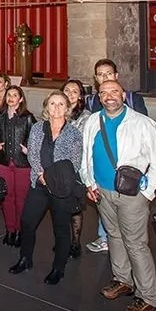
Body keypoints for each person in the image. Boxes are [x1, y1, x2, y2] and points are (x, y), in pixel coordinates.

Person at [79, 80, 156, 311]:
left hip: (132, 195)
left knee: (136, 244)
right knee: (114, 236)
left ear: (124, 95)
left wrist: (147, 193)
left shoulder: (142, 123)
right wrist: (89, 183)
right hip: (102, 191)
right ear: (99, 97)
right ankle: (122, 280)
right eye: (104, 93)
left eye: (114, 92)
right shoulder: (93, 121)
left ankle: (148, 298)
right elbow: (87, 155)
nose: (109, 97)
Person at [9, 91, 83, 285]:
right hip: (39, 184)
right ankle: (25, 258)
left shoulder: (74, 133)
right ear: (46, 107)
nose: (56, 108)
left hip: (61, 188)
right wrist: (42, 175)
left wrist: (51, 177)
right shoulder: (37, 128)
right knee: (27, 222)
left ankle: (58, 268)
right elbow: (32, 153)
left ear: (67, 109)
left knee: (61, 229)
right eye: (52, 104)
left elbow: (74, 162)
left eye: (60, 104)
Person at [0, 86, 36, 248]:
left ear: (21, 99)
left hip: (22, 163)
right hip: (3, 162)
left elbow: (36, 138)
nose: (11, 98)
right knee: (7, 197)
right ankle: (10, 229)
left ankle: (20, 230)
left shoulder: (28, 117)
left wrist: (29, 150)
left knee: (21, 199)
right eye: (8, 95)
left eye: (15, 95)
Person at [63, 78, 92, 257]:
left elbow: (81, 143)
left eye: (75, 91)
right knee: (59, 207)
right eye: (67, 90)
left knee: (74, 208)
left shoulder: (86, 117)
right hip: (56, 167)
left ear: (80, 96)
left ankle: (75, 242)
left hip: (75, 168)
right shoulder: (55, 110)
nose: (70, 94)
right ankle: (63, 240)